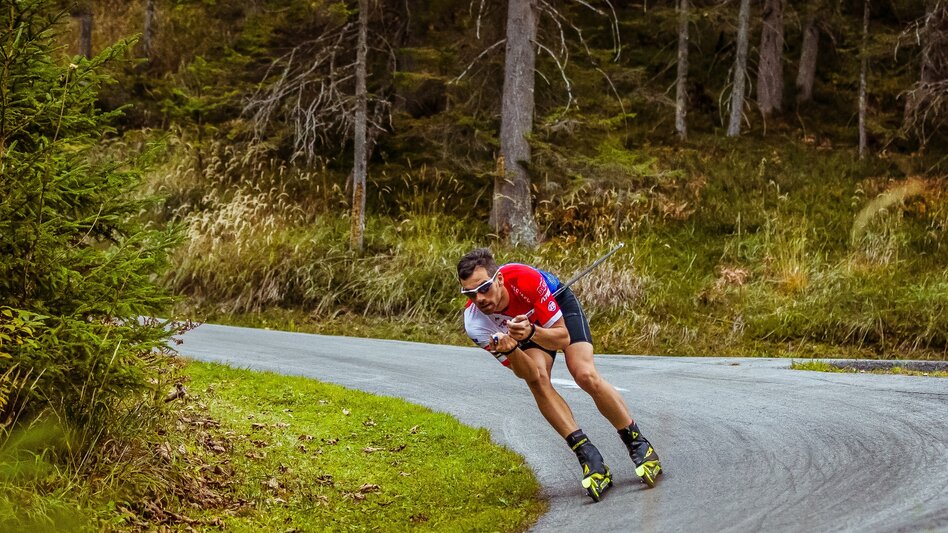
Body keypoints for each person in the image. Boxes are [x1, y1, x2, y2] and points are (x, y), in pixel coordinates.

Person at [457, 248, 662, 502]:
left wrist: (531, 332)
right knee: (538, 381)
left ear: (498, 279)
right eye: (470, 293)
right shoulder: (475, 324)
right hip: (524, 331)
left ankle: (638, 443)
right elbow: (528, 373)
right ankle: (589, 457)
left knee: (583, 373)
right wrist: (511, 349)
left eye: (484, 288)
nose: (479, 298)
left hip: (555, 312)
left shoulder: (525, 279)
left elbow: (562, 338)